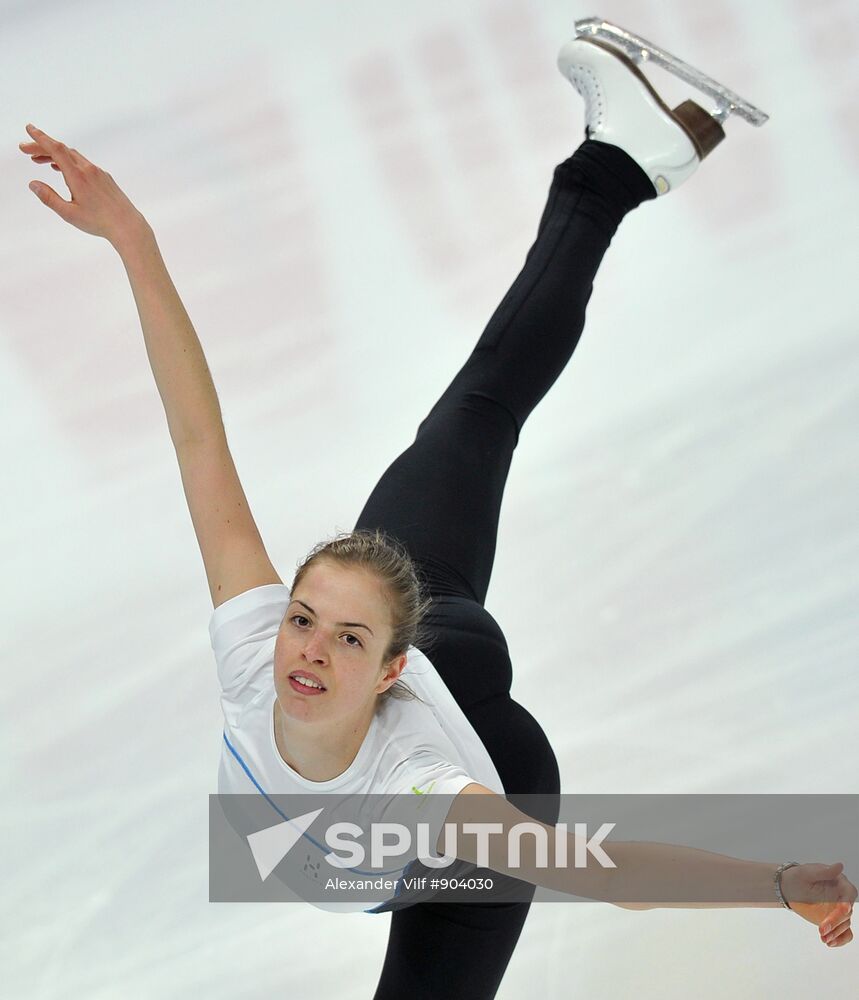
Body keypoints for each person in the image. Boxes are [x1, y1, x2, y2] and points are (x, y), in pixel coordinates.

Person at [22, 27, 855, 1000]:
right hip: (421, 614)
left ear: (388, 669)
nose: (307, 652)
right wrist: (133, 238)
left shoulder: (422, 794)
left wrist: (778, 885)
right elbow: (197, 438)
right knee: (476, 412)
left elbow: (605, 873)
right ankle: (619, 163)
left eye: (344, 640)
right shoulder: (256, 651)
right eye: (302, 619)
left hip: (485, 779)